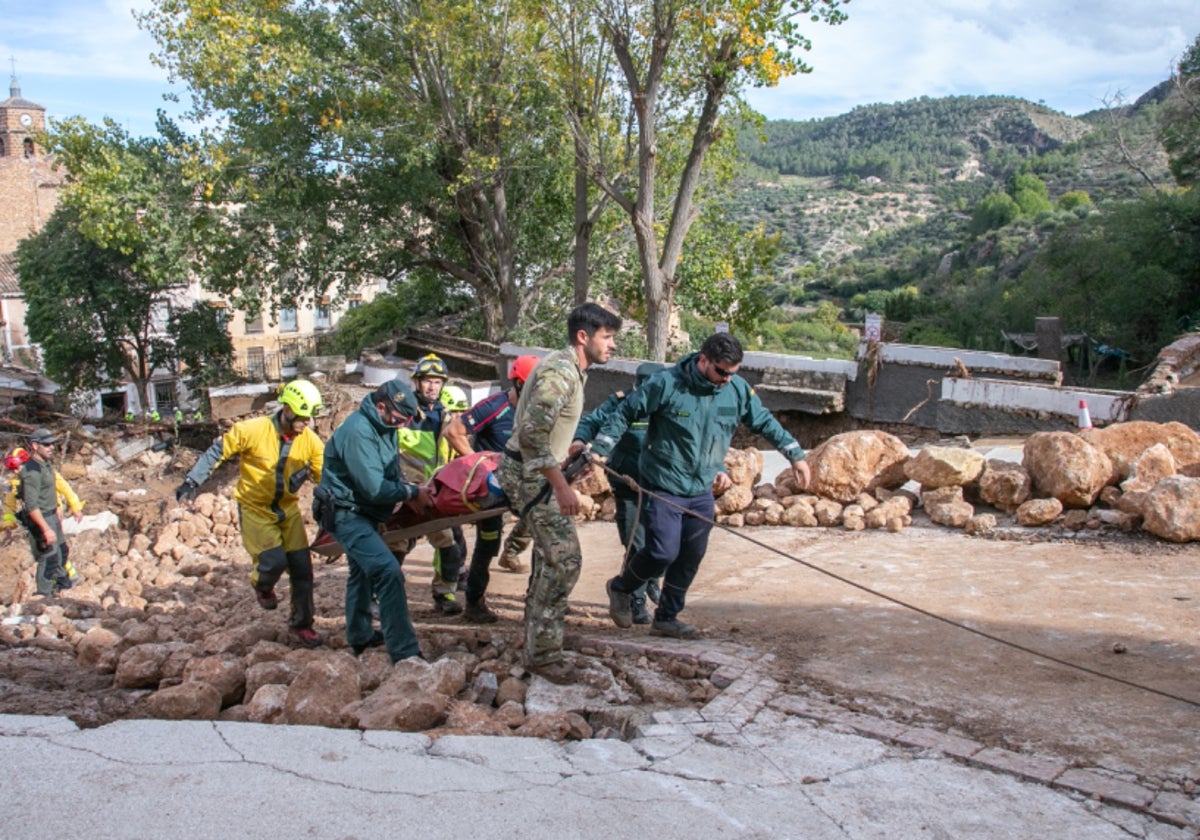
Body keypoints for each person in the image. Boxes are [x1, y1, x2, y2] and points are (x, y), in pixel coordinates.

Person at [589, 332, 810, 639]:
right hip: (663, 483)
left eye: (733, 373)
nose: (727, 379)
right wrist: (601, 446)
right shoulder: (667, 384)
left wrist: (795, 455)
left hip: (701, 488)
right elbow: (626, 412)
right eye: (722, 371)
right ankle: (621, 587)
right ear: (703, 360)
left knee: (691, 555)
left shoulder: (737, 391)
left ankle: (666, 617)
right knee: (662, 552)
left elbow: (764, 422)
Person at [497, 302, 621, 682]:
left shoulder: (570, 369)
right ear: (583, 337)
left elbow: (543, 429)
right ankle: (544, 656)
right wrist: (561, 485)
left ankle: (538, 643)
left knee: (549, 559)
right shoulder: (560, 372)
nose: (613, 345)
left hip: (535, 469)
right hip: (529, 476)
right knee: (565, 561)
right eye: (607, 337)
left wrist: (567, 450)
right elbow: (533, 434)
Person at [176, 379, 326, 647]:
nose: (308, 423)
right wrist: (192, 481)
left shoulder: (311, 442)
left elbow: (326, 477)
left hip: (288, 511)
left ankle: (301, 624)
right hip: (255, 509)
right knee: (273, 561)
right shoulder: (252, 430)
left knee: (303, 570)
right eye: (303, 417)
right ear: (288, 410)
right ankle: (262, 585)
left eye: (311, 418)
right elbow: (217, 452)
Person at [317, 379, 431, 662]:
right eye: (400, 419)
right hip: (345, 514)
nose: (403, 426)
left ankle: (360, 636)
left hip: (364, 512)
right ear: (381, 406)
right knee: (387, 570)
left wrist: (408, 487)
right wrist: (412, 492)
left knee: (363, 572)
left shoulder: (385, 426)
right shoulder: (358, 432)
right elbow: (374, 488)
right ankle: (404, 652)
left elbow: (390, 471)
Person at [444, 355, 539, 624]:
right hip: (494, 489)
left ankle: (540, 601)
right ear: (518, 384)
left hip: (526, 485)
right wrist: (480, 467)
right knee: (487, 544)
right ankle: (474, 602)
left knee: (546, 535)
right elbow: (454, 432)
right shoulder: (494, 407)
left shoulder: (538, 410)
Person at [572, 361, 666, 624]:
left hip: (660, 485)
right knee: (636, 542)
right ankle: (635, 600)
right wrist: (580, 441)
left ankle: (651, 580)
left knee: (663, 541)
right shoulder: (621, 402)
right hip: (627, 484)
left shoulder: (668, 403)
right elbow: (591, 422)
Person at [396, 354, 467, 615]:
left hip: (435, 491)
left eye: (437, 382)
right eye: (427, 381)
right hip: (407, 492)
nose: (432, 387)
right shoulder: (403, 414)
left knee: (449, 546)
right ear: (417, 382)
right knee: (397, 545)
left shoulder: (446, 417)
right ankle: (383, 595)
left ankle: (444, 593)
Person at [2, 446, 85, 584]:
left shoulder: (44, 472)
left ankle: (66, 577)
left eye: (18, 468)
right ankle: (53, 581)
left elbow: (65, 488)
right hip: (34, 519)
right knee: (41, 551)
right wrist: (8, 523)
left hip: (50, 514)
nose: (16, 472)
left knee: (56, 548)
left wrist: (75, 507)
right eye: (13, 470)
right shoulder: (15, 482)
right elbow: (9, 504)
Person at [18, 429, 75, 596]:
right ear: (35, 446)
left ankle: (63, 586)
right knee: (49, 557)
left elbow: (50, 488)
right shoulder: (31, 472)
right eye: (47, 444)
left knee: (62, 551)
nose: (51, 447)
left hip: (51, 513)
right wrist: (45, 528)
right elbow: (31, 505)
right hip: (41, 517)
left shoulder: (45, 463)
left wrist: (57, 505)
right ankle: (44, 595)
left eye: (53, 444)